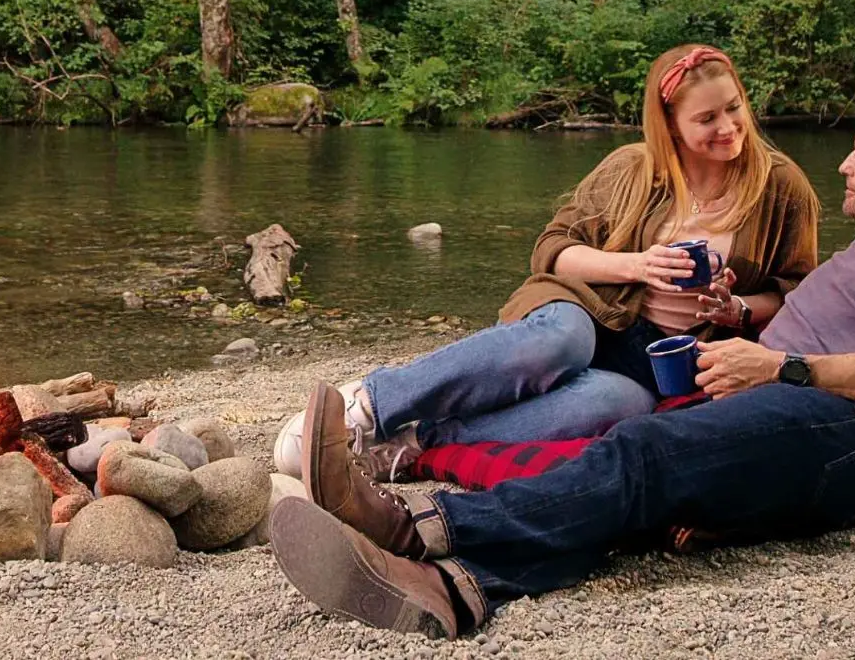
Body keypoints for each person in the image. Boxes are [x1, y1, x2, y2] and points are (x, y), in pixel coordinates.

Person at [267, 95, 855, 639]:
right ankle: (455, 589)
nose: (847, 164)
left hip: (843, 430)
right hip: (771, 414)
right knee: (627, 483)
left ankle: (413, 529)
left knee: (641, 453)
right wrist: (731, 320)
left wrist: (785, 369)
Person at [274, 44, 820, 480]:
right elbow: (554, 252)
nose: (728, 126)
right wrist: (638, 266)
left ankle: (413, 445)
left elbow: (798, 291)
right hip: (584, 308)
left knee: (617, 404)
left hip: (660, 362)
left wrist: (738, 309)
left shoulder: (780, 186)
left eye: (734, 107)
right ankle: (367, 406)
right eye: (707, 118)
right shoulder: (631, 169)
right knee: (560, 342)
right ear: (671, 126)